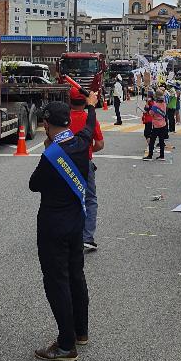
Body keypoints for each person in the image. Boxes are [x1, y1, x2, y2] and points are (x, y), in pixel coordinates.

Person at [29, 91, 98, 361]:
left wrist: (48, 150)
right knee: (76, 276)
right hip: (75, 223)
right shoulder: (81, 142)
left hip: (53, 226)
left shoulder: (51, 155)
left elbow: (34, 184)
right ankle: (81, 331)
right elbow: (90, 126)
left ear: (46, 124)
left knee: (57, 281)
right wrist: (91, 106)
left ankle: (66, 345)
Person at [69, 88, 104, 252]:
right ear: (85, 101)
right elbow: (100, 144)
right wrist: (87, 149)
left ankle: (67, 235)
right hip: (85, 161)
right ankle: (87, 237)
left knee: (67, 198)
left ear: (69, 101)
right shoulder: (89, 118)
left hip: (65, 162)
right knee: (90, 199)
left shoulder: (64, 118)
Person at [143, 90, 167, 160]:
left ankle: (150, 155)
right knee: (161, 140)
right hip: (163, 124)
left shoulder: (155, 105)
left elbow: (151, 113)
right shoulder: (164, 104)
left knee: (152, 140)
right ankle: (162, 155)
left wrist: (147, 108)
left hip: (156, 125)